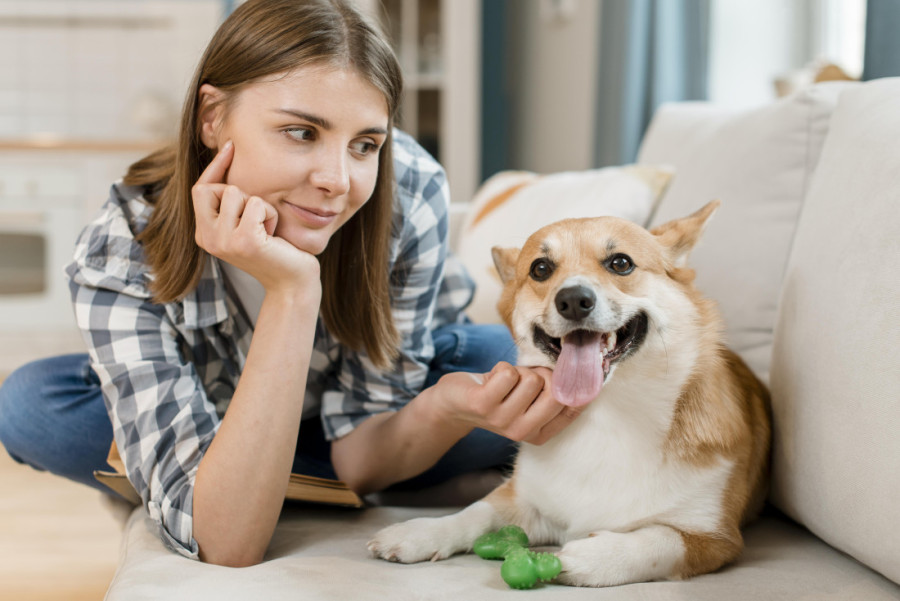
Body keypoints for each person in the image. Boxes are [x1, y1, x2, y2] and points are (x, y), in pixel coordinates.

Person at [0, 0, 581, 567]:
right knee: (32, 405)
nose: (337, 180)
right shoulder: (123, 245)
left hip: (369, 428)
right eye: (301, 132)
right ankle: (276, 479)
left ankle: (243, 480)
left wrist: (443, 411)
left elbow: (360, 449)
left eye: (365, 145)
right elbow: (228, 545)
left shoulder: (407, 189)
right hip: (221, 414)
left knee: (500, 361)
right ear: (211, 118)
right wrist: (293, 291)